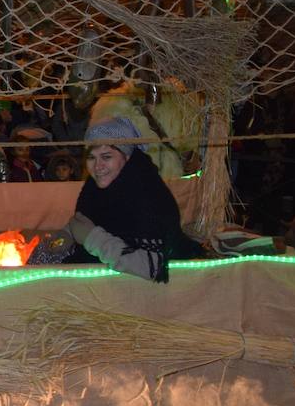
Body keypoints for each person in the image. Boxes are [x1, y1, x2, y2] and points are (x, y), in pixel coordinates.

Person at [64, 117, 202, 283]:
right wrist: (65, 234)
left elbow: (151, 266)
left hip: (154, 294)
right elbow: (90, 219)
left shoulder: (146, 194)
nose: (97, 166)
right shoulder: (95, 189)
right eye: (91, 157)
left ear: (127, 157)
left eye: (106, 157)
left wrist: (93, 239)